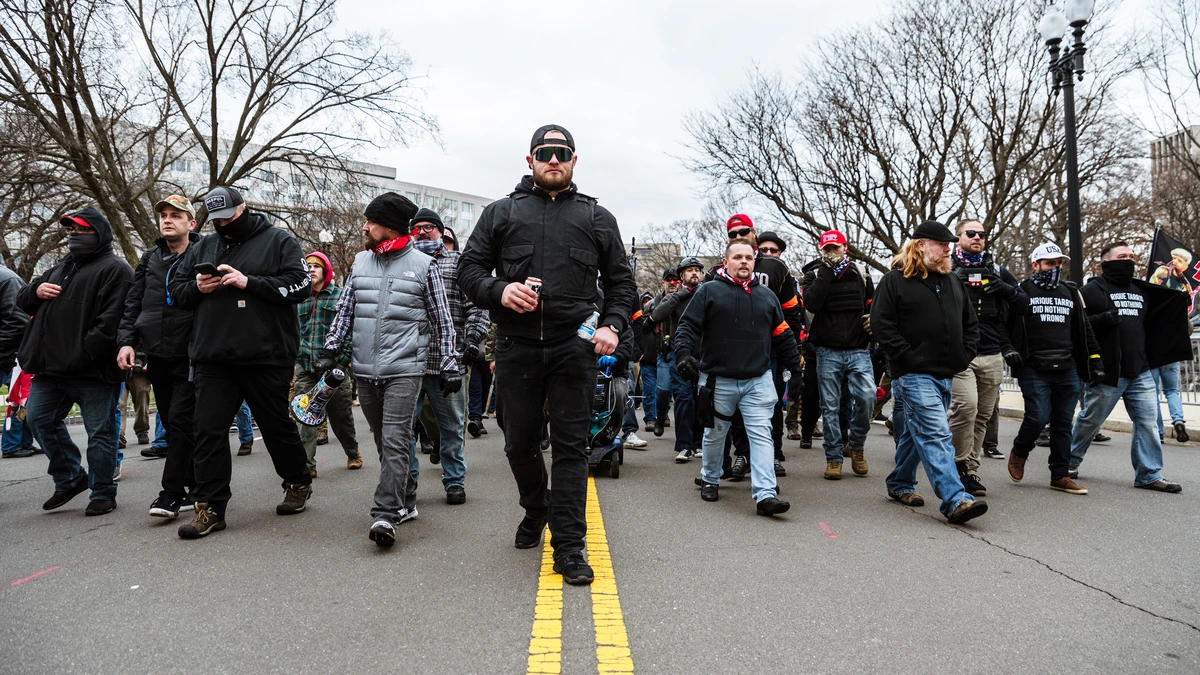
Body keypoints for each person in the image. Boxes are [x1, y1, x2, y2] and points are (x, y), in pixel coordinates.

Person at [458, 124, 636, 585]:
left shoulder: (597, 218)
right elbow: (469, 271)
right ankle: (535, 508)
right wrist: (500, 290)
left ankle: (570, 546)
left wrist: (612, 325)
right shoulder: (501, 213)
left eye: (561, 153)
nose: (552, 160)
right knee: (518, 442)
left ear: (574, 160)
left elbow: (622, 285)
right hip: (516, 347)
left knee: (572, 448)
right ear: (530, 161)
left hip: (573, 350)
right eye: (544, 153)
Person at [167, 186, 314, 538]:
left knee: (276, 426)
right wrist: (199, 287)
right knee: (208, 430)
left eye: (228, 218)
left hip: (266, 353)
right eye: (215, 220)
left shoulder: (279, 241)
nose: (222, 226)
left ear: (244, 209)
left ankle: (297, 481)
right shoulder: (203, 245)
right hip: (213, 354)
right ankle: (211, 507)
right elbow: (177, 292)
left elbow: (300, 286)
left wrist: (250, 282)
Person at [319, 192, 459, 547]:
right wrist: (331, 347)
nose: (365, 226)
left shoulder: (423, 266)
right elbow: (346, 310)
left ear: (389, 226)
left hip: (405, 368)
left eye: (370, 221)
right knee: (385, 441)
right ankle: (407, 497)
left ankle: (385, 513)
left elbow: (442, 321)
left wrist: (448, 363)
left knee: (397, 439)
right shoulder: (361, 261)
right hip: (364, 370)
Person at [19, 206, 133, 516]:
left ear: (99, 235)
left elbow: (111, 322)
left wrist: (82, 351)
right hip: (50, 370)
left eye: (82, 231)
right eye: (72, 231)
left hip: (92, 371)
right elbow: (22, 300)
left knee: (101, 433)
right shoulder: (61, 266)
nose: (74, 236)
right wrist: (36, 290)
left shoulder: (116, 269)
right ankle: (69, 478)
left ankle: (103, 491)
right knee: (38, 420)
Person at [872, 220, 987, 524]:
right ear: (921, 245)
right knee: (936, 433)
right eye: (941, 245)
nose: (948, 249)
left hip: (947, 371)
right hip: (912, 374)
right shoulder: (893, 281)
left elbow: (971, 324)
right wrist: (908, 356)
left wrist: (965, 354)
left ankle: (899, 483)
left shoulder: (952, 282)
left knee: (915, 432)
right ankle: (955, 498)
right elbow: (881, 324)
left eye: (950, 244)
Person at [676, 240, 801, 515]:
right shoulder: (709, 291)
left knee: (761, 436)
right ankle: (710, 478)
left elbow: (783, 334)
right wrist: (683, 354)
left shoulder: (767, 296)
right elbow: (687, 326)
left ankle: (765, 495)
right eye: (738, 257)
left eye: (749, 257)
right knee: (714, 435)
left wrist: (796, 368)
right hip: (717, 380)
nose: (744, 261)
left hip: (758, 379)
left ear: (754, 262)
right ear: (726, 262)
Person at [1068, 241, 1190, 492]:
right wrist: (1102, 320)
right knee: (1091, 420)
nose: (1129, 261)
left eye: (1131, 256)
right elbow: (1076, 325)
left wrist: (1180, 300)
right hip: (1108, 372)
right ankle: (1068, 462)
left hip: (1141, 371)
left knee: (1148, 423)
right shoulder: (1091, 291)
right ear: (1106, 261)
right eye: (1122, 256)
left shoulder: (1142, 290)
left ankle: (1149, 474)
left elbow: (1158, 318)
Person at [116, 194, 201, 518]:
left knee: (180, 422)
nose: (167, 219)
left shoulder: (202, 254)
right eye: (163, 214)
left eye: (176, 215)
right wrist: (127, 343)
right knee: (174, 420)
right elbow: (133, 304)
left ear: (191, 223)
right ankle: (196, 486)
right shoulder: (150, 258)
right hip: (157, 354)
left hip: (192, 353)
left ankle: (171, 494)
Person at [404, 207, 487, 505]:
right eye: (418, 227)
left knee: (452, 427)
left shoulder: (458, 263)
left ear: (440, 231)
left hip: (446, 362)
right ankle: (406, 482)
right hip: (406, 362)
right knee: (403, 431)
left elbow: (477, 306)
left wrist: (473, 339)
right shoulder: (402, 263)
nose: (423, 231)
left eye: (429, 227)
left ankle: (454, 481)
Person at [1005, 243, 1102, 494]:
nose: (1055, 268)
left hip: (1067, 367)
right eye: (1049, 263)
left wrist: (1095, 361)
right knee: (1038, 416)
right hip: (1033, 366)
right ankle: (1020, 450)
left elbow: (1084, 330)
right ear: (1034, 264)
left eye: (1059, 263)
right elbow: (1006, 325)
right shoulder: (1022, 291)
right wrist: (1009, 350)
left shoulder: (1070, 291)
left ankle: (1060, 475)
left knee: (1062, 423)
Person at [948, 219, 1029, 497]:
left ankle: (971, 469)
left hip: (993, 352)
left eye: (982, 234)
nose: (978, 238)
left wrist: (1004, 288)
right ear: (958, 237)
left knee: (982, 416)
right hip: (960, 353)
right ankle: (956, 466)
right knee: (966, 409)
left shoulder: (997, 270)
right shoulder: (946, 269)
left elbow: (1023, 304)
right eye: (971, 233)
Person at [718, 217, 804, 479]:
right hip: (733, 354)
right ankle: (743, 454)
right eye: (733, 233)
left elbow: (792, 312)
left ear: (754, 233)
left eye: (744, 231)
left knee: (772, 405)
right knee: (735, 411)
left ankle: (774, 454)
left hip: (772, 352)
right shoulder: (718, 272)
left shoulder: (777, 268)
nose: (739, 235)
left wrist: (792, 352)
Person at [802, 229, 875, 481]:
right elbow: (812, 303)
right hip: (827, 351)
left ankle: (856, 446)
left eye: (836, 247)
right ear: (821, 250)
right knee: (830, 407)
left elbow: (871, 304)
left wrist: (873, 321)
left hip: (858, 350)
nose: (832, 252)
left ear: (845, 248)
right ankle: (833, 457)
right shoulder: (812, 275)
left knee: (866, 399)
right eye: (827, 249)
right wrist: (826, 271)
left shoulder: (862, 273)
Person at [294, 251, 360, 477]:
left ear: (326, 270)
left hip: (334, 371)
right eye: (308, 265)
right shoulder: (299, 298)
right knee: (305, 417)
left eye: (317, 266)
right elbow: (293, 332)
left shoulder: (339, 296)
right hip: (306, 368)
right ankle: (307, 466)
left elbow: (351, 333)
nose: (311, 269)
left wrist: (341, 363)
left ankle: (352, 451)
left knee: (341, 418)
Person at [648, 258, 704, 461]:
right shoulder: (675, 297)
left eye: (697, 270)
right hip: (677, 355)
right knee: (683, 398)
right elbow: (657, 315)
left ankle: (698, 444)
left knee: (701, 400)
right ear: (682, 276)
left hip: (702, 356)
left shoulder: (706, 293)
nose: (694, 274)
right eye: (690, 270)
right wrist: (678, 294)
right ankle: (684, 446)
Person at [0, 260, 30, 458]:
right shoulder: (8, 279)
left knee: (20, 398)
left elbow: (16, 321)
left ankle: (17, 443)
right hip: (11, 354)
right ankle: (15, 444)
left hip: (11, 355)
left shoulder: (7, 279)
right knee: (20, 398)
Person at [467, 323, 496, 438]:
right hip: (473, 359)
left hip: (488, 360)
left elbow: (495, 335)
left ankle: (479, 418)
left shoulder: (492, 314)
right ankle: (475, 419)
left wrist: (494, 358)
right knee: (475, 389)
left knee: (485, 391)